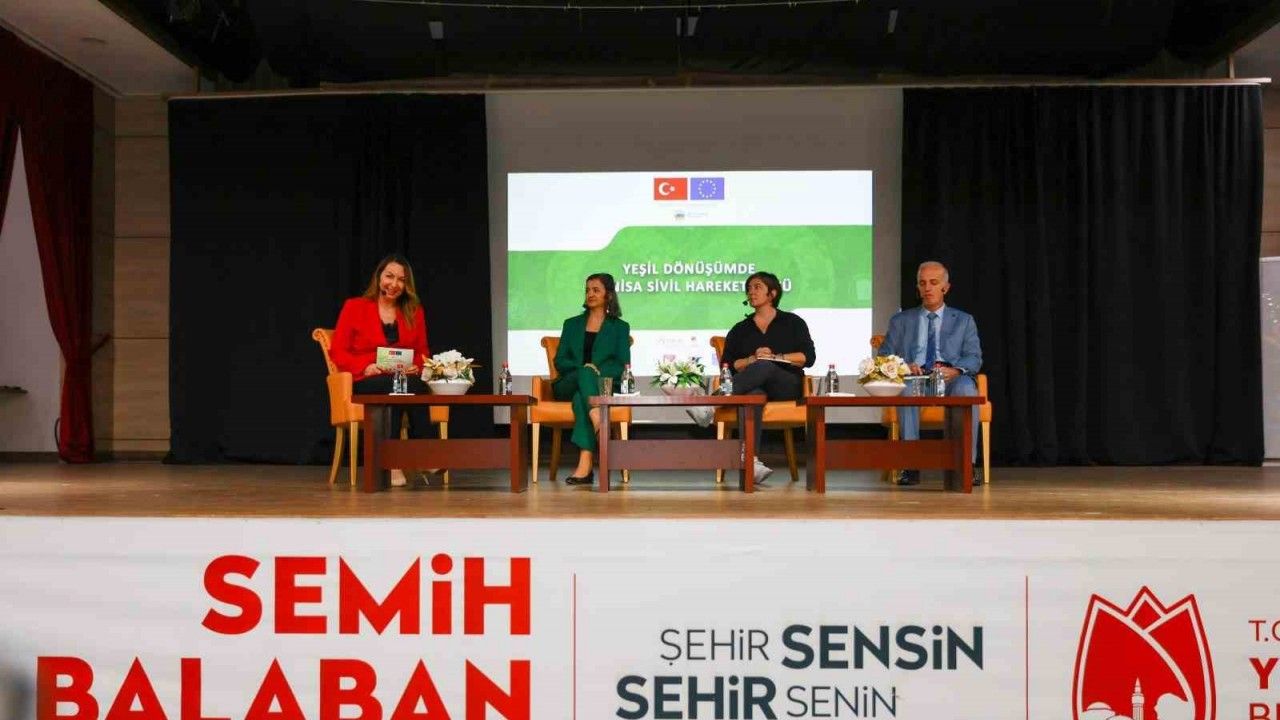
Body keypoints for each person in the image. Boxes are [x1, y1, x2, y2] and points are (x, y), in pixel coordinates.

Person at [330, 253, 434, 486]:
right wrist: (365, 367)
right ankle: (399, 462)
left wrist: (417, 365)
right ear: (379, 277)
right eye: (389, 276)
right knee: (395, 386)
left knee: (407, 385)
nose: (394, 284)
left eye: (401, 280)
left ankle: (419, 455)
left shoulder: (414, 311)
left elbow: (423, 351)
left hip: (401, 378)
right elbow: (338, 351)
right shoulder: (355, 307)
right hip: (366, 378)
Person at [880, 260, 983, 486]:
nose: (927, 288)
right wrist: (904, 366)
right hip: (915, 378)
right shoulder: (901, 321)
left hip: (951, 378)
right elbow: (884, 356)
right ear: (918, 288)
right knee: (906, 389)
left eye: (934, 283)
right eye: (922, 283)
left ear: (945, 288)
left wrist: (955, 370)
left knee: (967, 388)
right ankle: (911, 466)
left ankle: (968, 464)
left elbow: (974, 358)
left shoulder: (964, 320)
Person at [720, 271, 816, 483]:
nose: (751, 292)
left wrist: (774, 357)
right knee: (752, 395)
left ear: (772, 294)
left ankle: (715, 401)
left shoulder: (793, 322)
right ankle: (751, 461)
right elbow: (727, 365)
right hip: (752, 387)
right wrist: (751, 360)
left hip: (786, 386)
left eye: (757, 287)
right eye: (749, 288)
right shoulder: (740, 329)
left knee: (765, 365)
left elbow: (807, 357)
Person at [554, 273, 632, 486]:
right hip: (569, 382)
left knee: (582, 399)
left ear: (609, 295)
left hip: (601, 385)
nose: (590, 294)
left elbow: (622, 364)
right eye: (588, 290)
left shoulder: (620, 327)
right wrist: (584, 369)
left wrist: (595, 371)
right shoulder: (571, 324)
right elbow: (560, 361)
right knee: (584, 373)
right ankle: (598, 418)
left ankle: (585, 464)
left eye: (596, 290)